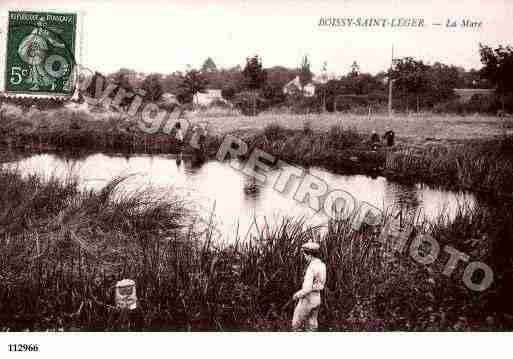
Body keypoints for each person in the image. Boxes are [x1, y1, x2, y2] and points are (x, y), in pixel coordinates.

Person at [292, 242, 326, 331]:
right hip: (317, 298)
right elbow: (322, 283)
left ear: (309, 254)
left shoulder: (311, 267)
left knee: (296, 324)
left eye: (304, 254)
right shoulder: (322, 265)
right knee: (312, 325)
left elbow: (307, 288)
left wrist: (297, 295)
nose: (304, 257)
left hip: (308, 299)